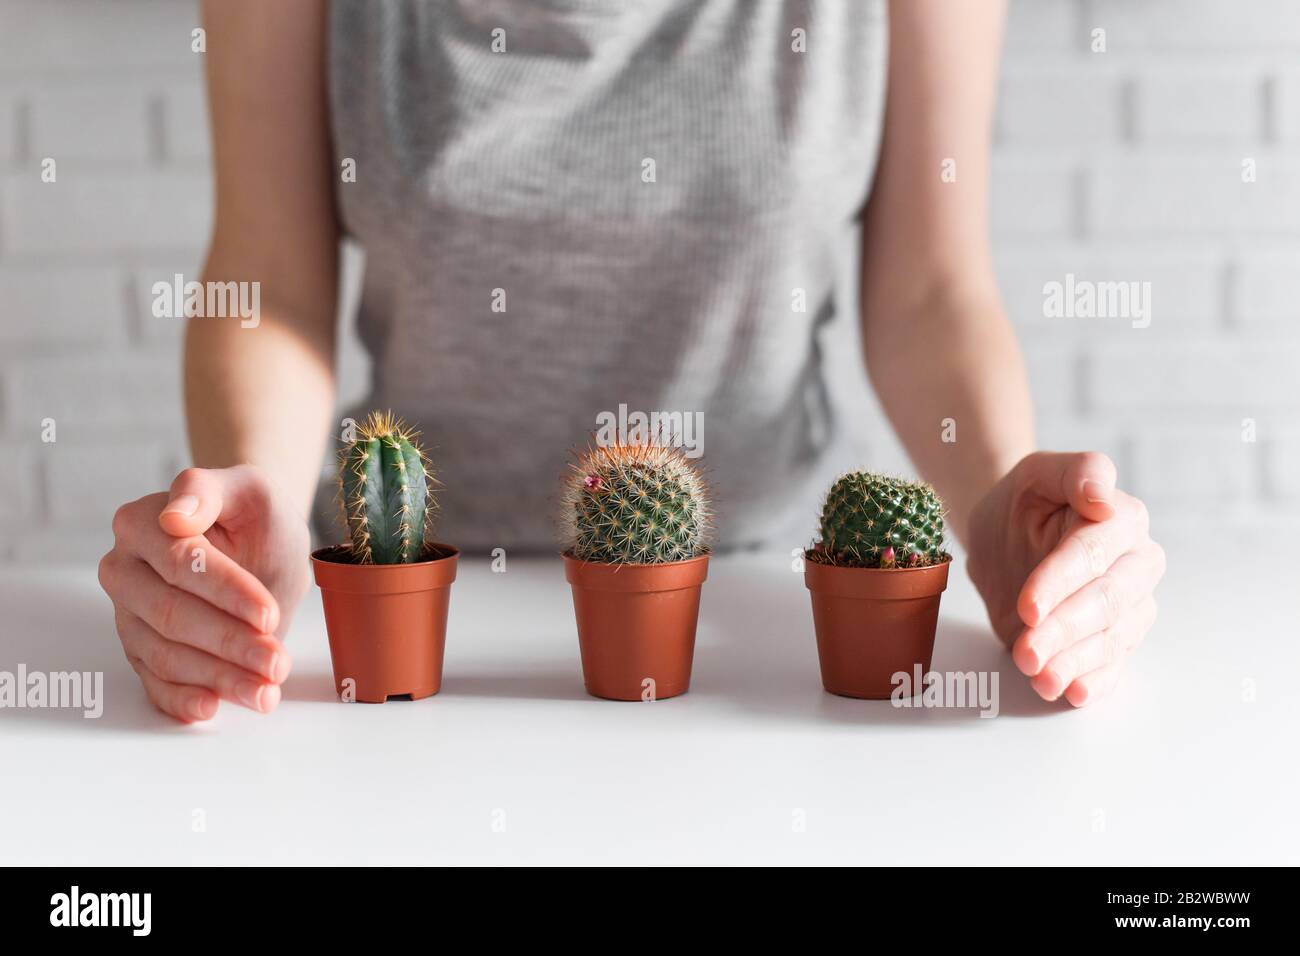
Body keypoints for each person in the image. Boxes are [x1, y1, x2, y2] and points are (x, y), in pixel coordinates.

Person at [97, 0, 1164, 722]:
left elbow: (931, 290)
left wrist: (994, 503)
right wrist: (256, 506)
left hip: (774, 629)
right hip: (399, 629)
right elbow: (268, 275)